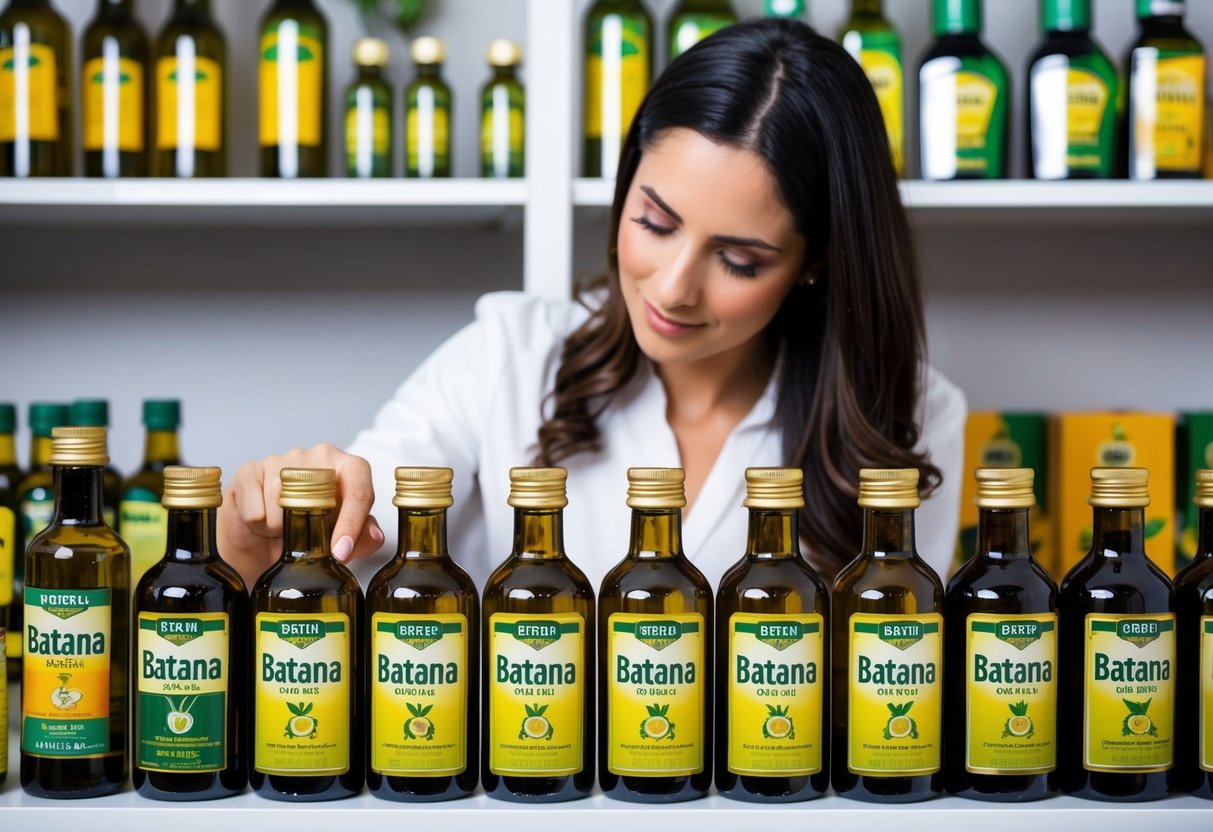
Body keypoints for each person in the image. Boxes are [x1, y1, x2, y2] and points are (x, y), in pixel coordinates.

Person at [218, 18, 966, 593]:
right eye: (654, 222)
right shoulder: (508, 353)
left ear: (818, 260)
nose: (673, 287)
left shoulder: (906, 417)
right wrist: (269, 516)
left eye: (739, 260)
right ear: (623, 188)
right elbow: (347, 530)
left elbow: (882, 681)